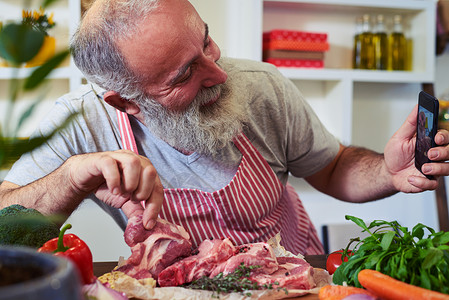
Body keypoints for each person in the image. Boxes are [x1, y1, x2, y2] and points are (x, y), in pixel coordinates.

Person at [0, 0, 448, 255]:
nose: (218, 73)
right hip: (177, 285)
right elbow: (7, 226)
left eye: (207, 42)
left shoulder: (263, 87)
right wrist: (74, 176)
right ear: (124, 101)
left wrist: (388, 173)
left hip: (288, 275)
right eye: (184, 75)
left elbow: (331, 168)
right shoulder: (83, 121)